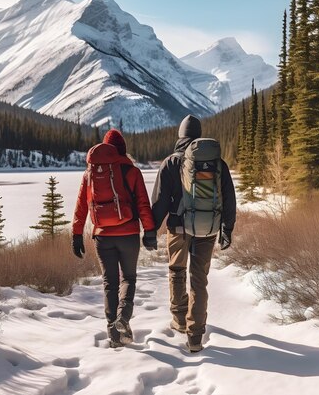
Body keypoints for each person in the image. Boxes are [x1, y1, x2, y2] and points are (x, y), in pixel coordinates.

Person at [151, 114, 236, 353]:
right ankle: (196, 336)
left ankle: (179, 320)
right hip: (206, 230)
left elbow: (159, 202)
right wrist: (227, 228)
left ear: (180, 135)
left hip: (177, 229)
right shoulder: (216, 163)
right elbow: (229, 198)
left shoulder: (170, 163)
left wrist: (150, 229)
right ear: (198, 135)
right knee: (199, 280)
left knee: (177, 271)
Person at [72, 129, 157, 348]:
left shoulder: (90, 173)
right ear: (123, 149)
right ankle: (123, 318)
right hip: (128, 234)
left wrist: (76, 234)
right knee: (128, 278)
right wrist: (149, 232)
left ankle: (113, 333)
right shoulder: (132, 171)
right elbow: (143, 205)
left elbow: (81, 206)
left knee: (110, 283)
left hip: (102, 236)